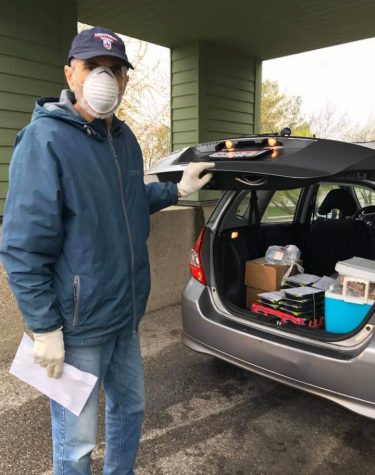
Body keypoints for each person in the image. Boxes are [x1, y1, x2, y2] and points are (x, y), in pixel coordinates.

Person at [0, 26, 214, 474]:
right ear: (70, 73)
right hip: (77, 327)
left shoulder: (125, 141)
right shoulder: (44, 141)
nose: (104, 77)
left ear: (126, 82)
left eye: (115, 70)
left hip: (124, 315)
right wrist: (45, 328)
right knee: (75, 442)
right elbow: (22, 247)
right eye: (92, 67)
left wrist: (177, 189)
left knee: (130, 410)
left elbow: (127, 201)